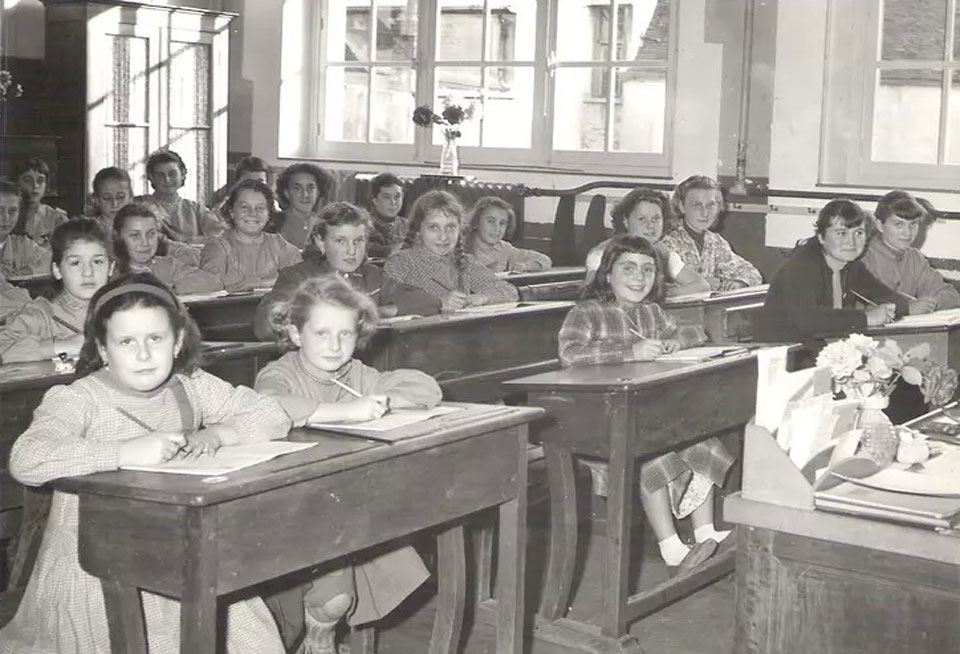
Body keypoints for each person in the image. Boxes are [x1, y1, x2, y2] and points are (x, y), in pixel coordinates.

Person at [0, 272, 289, 653]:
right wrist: (122, 452)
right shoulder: (78, 398)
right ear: (102, 349)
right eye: (126, 342)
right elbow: (27, 458)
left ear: (177, 342)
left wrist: (217, 435)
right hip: (93, 567)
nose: (143, 354)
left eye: (155, 338)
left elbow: (272, 414)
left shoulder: (190, 385)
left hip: (178, 550)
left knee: (247, 634)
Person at [255, 276, 437, 654]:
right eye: (321, 333)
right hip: (289, 506)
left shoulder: (355, 374)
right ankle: (315, 637)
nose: (335, 346)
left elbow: (427, 388)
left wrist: (384, 400)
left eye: (346, 334)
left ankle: (319, 639)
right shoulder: (282, 372)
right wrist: (341, 411)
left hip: (344, 502)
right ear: (295, 332)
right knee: (334, 594)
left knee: (339, 590)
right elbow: (268, 406)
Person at [558, 236, 731, 571]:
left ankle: (705, 531)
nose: (639, 277)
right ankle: (670, 546)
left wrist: (674, 342)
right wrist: (628, 353)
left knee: (702, 439)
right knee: (652, 455)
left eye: (648, 270)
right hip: (601, 417)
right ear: (607, 274)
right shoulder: (587, 312)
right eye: (628, 268)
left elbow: (697, 333)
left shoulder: (651, 313)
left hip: (649, 411)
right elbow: (569, 354)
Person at [254, 202, 440, 339]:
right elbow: (264, 325)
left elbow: (429, 302)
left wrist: (375, 311)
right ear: (320, 242)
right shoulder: (298, 277)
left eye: (358, 241)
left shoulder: (372, 276)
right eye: (341, 241)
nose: (352, 251)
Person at [756, 199, 909, 352]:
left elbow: (894, 299)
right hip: (784, 353)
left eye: (859, 233)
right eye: (841, 233)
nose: (851, 242)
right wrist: (866, 317)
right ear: (821, 237)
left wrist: (888, 309)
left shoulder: (852, 265)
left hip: (824, 349)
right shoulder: (802, 265)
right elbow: (807, 320)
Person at [384, 190, 519, 311]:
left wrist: (482, 297)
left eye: (450, 227)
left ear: (460, 229)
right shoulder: (402, 262)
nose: (443, 237)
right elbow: (387, 303)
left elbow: (510, 291)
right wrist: (438, 303)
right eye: (433, 227)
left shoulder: (466, 263)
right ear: (418, 229)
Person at [0, 219, 113, 364]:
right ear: (57, 270)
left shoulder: (122, 311)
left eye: (97, 262)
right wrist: (57, 347)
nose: (88, 272)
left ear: (111, 267)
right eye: (75, 263)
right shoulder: (40, 315)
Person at [584, 188, 710, 295]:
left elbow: (702, 285)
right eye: (641, 219)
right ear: (626, 221)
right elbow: (591, 293)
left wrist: (667, 293)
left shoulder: (664, 252)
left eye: (656, 219)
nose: (650, 225)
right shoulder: (601, 253)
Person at [861, 190, 960, 314]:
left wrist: (931, 304)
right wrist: (906, 308)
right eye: (898, 224)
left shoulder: (914, 257)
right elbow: (860, 312)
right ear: (880, 225)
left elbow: (951, 295)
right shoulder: (863, 257)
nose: (908, 233)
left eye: (913, 224)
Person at [659, 175, 763, 291]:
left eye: (711, 205)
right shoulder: (667, 242)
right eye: (697, 205)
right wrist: (701, 285)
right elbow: (658, 289)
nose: (705, 213)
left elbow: (752, 274)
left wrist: (739, 283)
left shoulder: (715, 242)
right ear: (682, 206)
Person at [200, 179, 301, 291]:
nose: (253, 213)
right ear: (231, 212)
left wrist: (259, 283)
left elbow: (301, 277)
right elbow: (212, 285)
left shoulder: (278, 244)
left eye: (260, 208)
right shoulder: (218, 247)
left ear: (268, 214)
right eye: (244, 207)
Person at [113, 203, 223, 294]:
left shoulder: (168, 265)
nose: (145, 243)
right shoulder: (110, 268)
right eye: (135, 235)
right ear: (118, 237)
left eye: (151, 234)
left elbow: (214, 282)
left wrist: (168, 289)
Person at [137, 149, 224, 243]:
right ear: (151, 177)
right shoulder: (140, 205)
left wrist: (188, 240)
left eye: (172, 174)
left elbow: (218, 235)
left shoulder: (196, 209)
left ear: (182, 174)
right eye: (160, 175)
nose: (167, 179)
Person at [464, 196, 552, 273]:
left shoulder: (504, 249)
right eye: (491, 221)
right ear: (476, 221)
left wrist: (525, 266)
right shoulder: (461, 245)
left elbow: (545, 260)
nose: (497, 228)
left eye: (502, 223)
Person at [13, 157, 68, 247]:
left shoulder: (57, 218)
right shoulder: (7, 215)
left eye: (40, 181)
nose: (35, 186)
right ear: (17, 183)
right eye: (28, 180)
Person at [0, 180, 51, 277]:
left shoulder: (22, 245)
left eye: (12, 211)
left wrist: (28, 270)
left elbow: (50, 260)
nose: (6, 218)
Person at [274, 163, 330, 249]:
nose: (305, 194)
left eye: (310, 188)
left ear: (318, 192)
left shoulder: (325, 225)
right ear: (287, 193)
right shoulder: (275, 224)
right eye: (297, 188)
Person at [366, 173, 407, 258]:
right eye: (386, 197)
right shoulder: (363, 225)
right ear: (375, 200)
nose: (393, 202)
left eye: (397, 197)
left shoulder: (409, 226)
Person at [88, 166, 134, 233]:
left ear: (131, 197)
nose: (115, 204)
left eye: (120, 197)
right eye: (107, 198)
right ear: (96, 200)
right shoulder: (88, 233)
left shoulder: (142, 227)